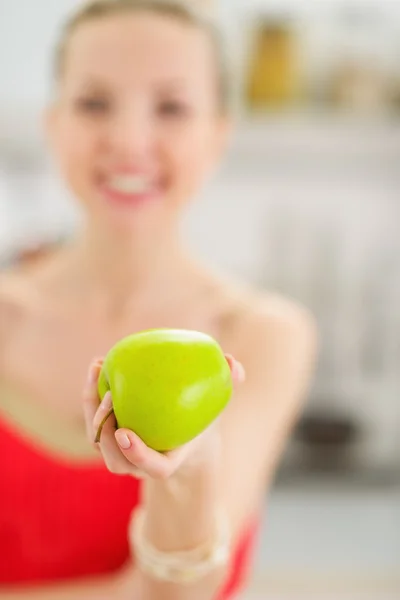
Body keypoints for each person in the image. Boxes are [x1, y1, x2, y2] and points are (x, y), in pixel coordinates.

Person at [0, 1, 317, 599]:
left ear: (218, 134)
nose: (128, 140)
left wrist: (189, 474)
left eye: (171, 107)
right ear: (53, 122)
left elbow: (178, 594)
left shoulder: (263, 334)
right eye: (94, 103)